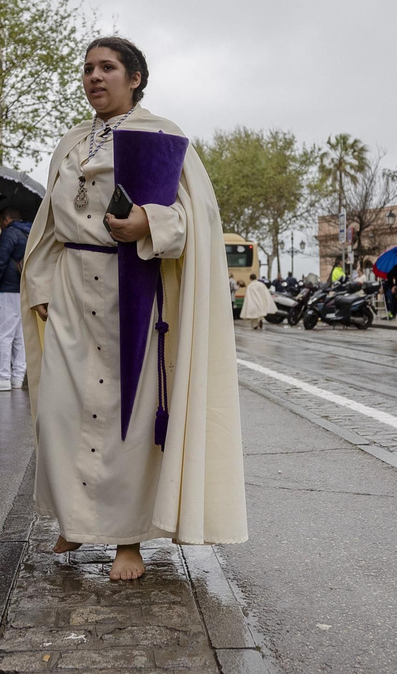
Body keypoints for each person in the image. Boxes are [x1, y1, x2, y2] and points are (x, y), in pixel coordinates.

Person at [21, 36, 248, 583]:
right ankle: (75, 520)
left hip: (136, 290)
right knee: (61, 409)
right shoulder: (70, 142)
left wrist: (150, 222)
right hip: (74, 291)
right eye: (88, 69)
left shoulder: (163, 135)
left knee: (131, 415)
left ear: (135, 77)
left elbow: (197, 221)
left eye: (108, 68)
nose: (95, 76)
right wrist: (44, 287)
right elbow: (50, 226)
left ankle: (128, 540)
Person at [0, 205, 31, 392]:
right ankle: (17, 376)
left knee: (1, 334)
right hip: (22, 289)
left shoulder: (10, 233)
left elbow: (1, 261)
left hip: (7, 288)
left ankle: (2, 376)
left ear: (6, 220)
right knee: (19, 337)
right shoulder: (28, 232)